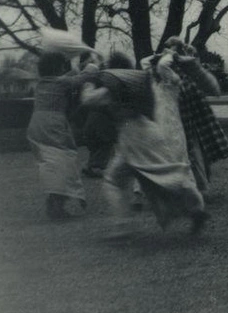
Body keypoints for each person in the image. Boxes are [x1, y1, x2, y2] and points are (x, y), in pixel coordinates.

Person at [80, 51, 209, 235]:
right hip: (149, 130)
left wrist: (89, 77)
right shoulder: (140, 83)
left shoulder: (116, 86)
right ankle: (196, 208)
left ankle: (123, 225)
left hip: (133, 136)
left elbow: (88, 100)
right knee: (164, 173)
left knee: (115, 181)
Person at [163, 37, 228, 201]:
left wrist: (194, 64)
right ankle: (196, 190)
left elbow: (213, 88)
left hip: (195, 119)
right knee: (189, 155)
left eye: (177, 49)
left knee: (201, 154)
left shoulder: (190, 68)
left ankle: (200, 188)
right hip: (179, 120)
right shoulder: (166, 71)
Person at [27, 52, 93, 219]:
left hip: (36, 124)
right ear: (57, 68)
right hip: (53, 124)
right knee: (64, 161)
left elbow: (68, 77)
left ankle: (55, 201)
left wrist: (79, 66)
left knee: (53, 162)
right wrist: (92, 66)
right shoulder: (61, 83)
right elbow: (80, 79)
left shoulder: (42, 83)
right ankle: (57, 204)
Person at [80, 52, 134, 178]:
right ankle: (97, 167)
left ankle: (92, 165)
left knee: (96, 145)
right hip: (103, 120)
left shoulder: (101, 77)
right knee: (105, 144)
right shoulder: (115, 82)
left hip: (92, 118)